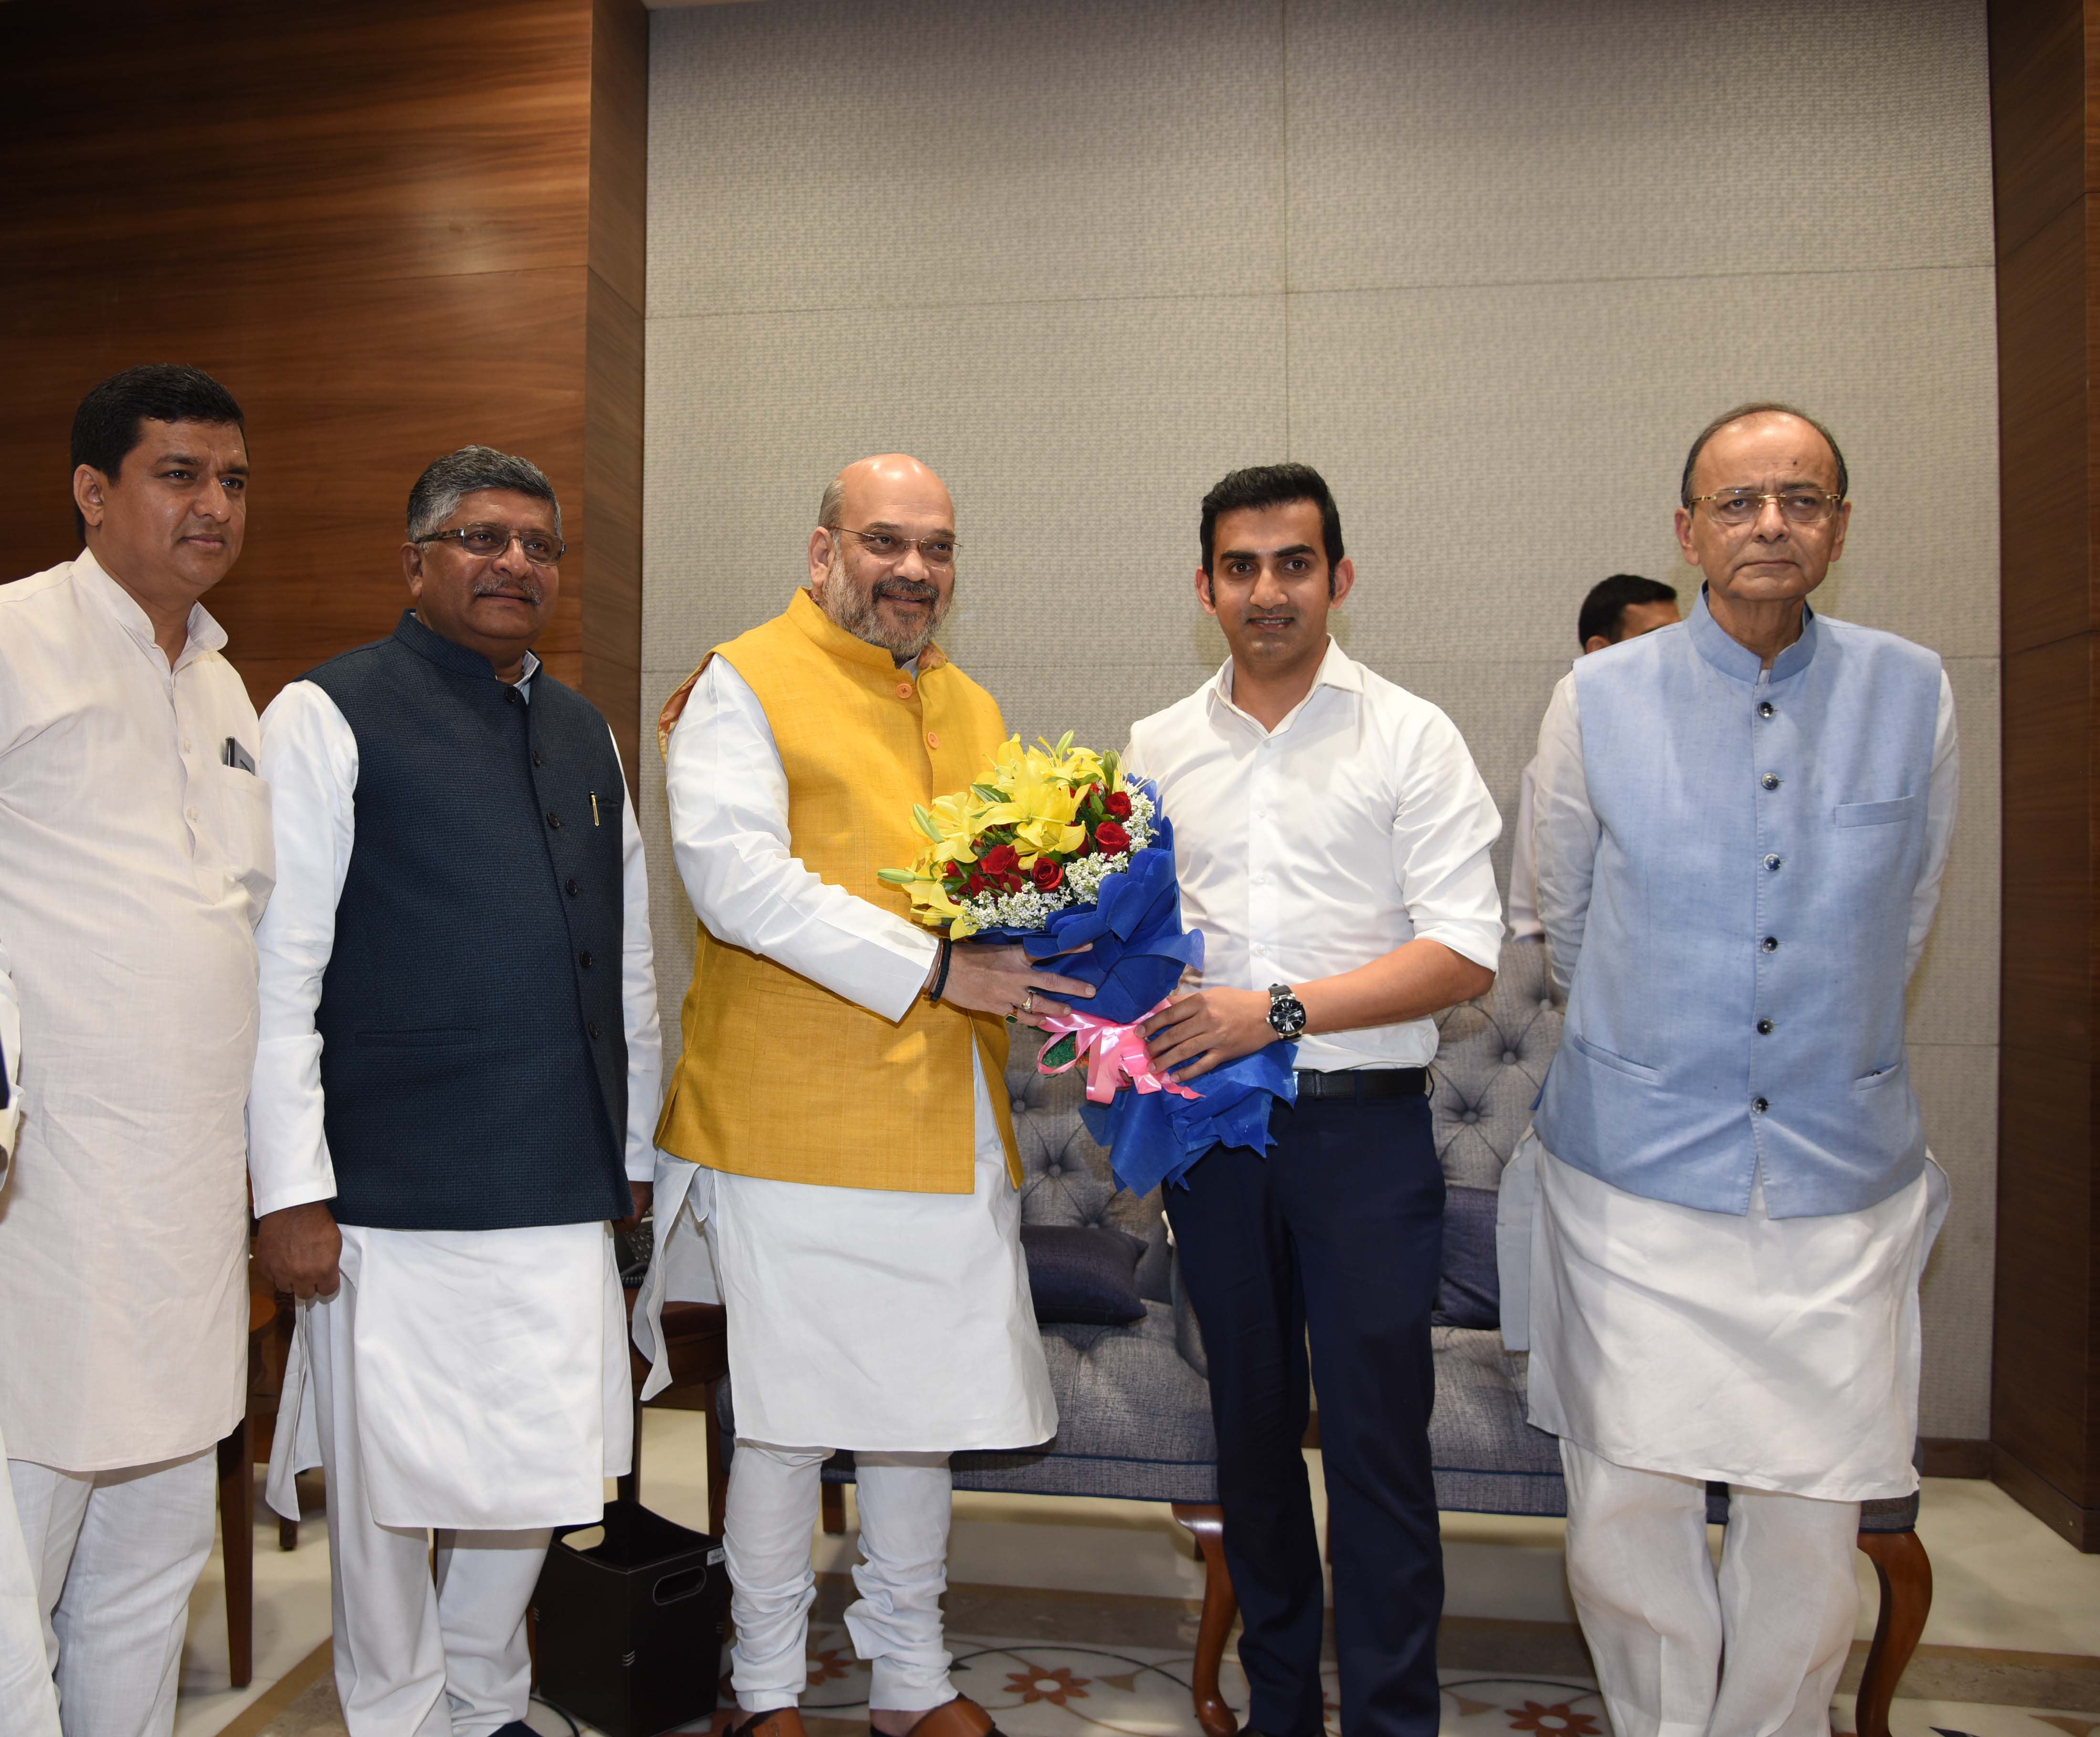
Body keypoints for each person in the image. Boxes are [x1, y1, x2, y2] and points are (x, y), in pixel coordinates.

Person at [1526, 403, 1957, 1737]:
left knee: (1811, 1523)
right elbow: (1565, 916)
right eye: (1739, 503)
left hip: (1835, 1178)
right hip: (1637, 1173)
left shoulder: (1913, 689)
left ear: (1838, 526)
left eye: (1802, 499)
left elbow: (1910, 911)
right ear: (1687, 532)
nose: (1771, 524)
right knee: (1628, 1515)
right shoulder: (1597, 697)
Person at [639, 453, 1084, 1737]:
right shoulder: (743, 681)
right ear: (823, 549)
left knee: (920, 1419)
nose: (914, 570)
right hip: (792, 1122)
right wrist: (945, 967)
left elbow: (1001, 897)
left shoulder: (974, 704)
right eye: (886, 541)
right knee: (785, 1422)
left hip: (947, 1119)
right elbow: (738, 884)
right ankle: (768, 1685)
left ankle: (911, 1676)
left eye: (937, 548)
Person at [248, 446, 662, 1737]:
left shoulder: (585, 726)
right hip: (389, 1187)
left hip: (558, 1176)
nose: (517, 565)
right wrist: (292, 1189)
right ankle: (393, 1707)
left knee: (541, 1467)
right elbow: (278, 973)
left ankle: (484, 1693)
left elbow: (633, 966)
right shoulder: (325, 712)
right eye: (483, 539)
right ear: (416, 561)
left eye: (539, 546)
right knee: (392, 1489)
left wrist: (634, 1152)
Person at [1125, 463, 1504, 1737]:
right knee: (1249, 1437)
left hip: (1366, 1135)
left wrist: (1272, 1011)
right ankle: (1279, 1707)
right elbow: (1137, 944)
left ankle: (1395, 1718)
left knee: (1379, 1454)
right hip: (1214, 1142)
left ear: (1339, 578)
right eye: (1242, 567)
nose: (1268, 590)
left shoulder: (1411, 734)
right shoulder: (1157, 748)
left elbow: (1463, 951)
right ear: (1205, 588)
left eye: (1295, 564)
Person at [0, 364, 269, 1737]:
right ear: (93, 492)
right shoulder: (14, 637)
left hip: (187, 1199)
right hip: (41, 1191)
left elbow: (250, 932)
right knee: (18, 1556)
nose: (212, 504)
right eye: (179, 475)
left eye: (230, 478)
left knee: (154, 1561)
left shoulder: (227, 686)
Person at [1505, 574, 1678, 945]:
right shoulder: (1559, 765)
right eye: (1657, 640)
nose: (1677, 656)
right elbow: (1531, 918)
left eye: (1681, 640)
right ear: (1600, 650)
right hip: (1605, 978)